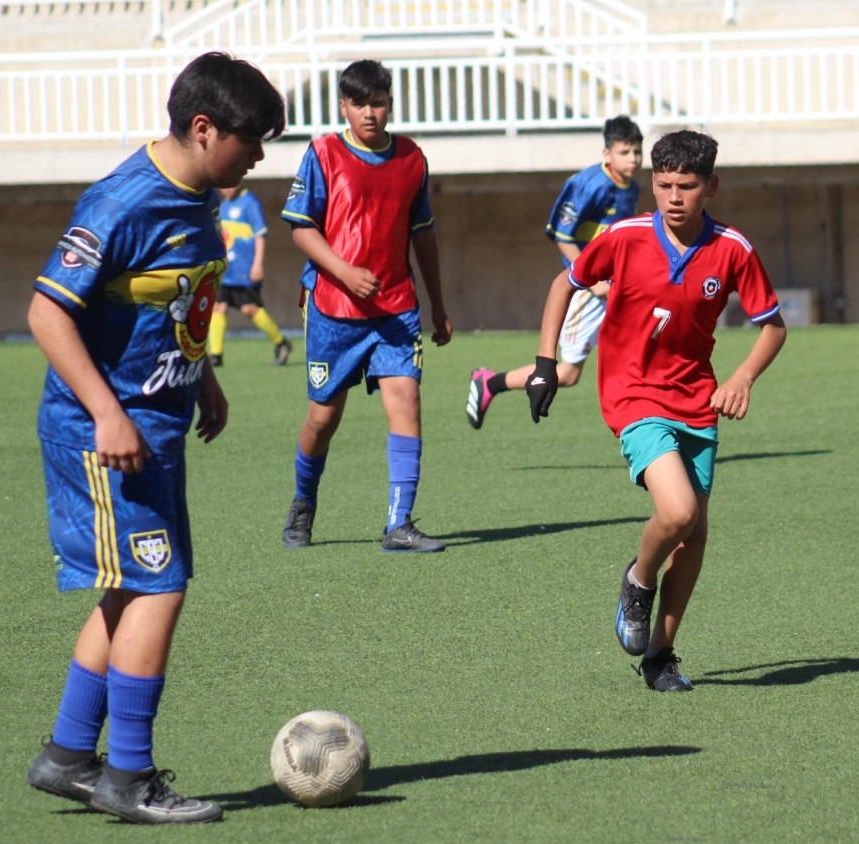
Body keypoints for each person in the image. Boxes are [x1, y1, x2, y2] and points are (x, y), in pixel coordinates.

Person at [25, 52, 285, 823]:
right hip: (102, 435)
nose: (259, 154)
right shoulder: (123, 200)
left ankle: (68, 756)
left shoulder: (201, 197)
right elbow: (47, 311)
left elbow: (181, 301)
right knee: (158, 586)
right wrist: (108, 413)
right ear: (204, 129)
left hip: (156, 431)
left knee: (133, 587)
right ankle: (128, 777)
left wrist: (201, 377)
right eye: (250, 138)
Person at [525, 129, 787, 691]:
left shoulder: (733, 249)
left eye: (686, 186)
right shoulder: (624, 237)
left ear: (710, 186)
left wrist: (742, 377)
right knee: (678, 512)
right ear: (653, 183)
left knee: (695, 536)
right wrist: (545, 364)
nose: (673, 197)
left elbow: (773, 327)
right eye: (664, 185)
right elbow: (563, 285)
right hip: (633, 394)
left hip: (697, 400)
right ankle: (639, 581)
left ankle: (660, 656)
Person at [279, 59, 452, 553]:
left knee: (407, 400)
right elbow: (301, 227)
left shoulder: (412, 158)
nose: (370, 113)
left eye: (378, 102)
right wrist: (344, 271)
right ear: (343, 106)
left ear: (390, 104)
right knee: (323, 420)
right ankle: (303, 501)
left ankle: (399, 523)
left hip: (396, 309)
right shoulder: (323, 153)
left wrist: (438, 304)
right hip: (333, 311)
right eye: (359, 104)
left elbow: (423, 234)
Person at [465, 115, 643, 429]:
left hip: (616, 286)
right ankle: (489, 383)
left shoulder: (631, 187)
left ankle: (652, 422)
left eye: (637, 152)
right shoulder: (589, 184)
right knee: (568, 374)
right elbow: (562, 236)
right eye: (624, 152)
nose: (633, 159)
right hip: (588, 292)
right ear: (607, 154)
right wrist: (594, 283)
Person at [208, 183, 292, 367]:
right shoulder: (222, 205)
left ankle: (281, 342)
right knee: (218, 307)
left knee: (249, 308)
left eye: (231, 185)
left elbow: (260, 234)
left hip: (244, 270)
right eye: (224, 186)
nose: (227, 188)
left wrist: (257, 264)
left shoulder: (250, 202)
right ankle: (216, 354)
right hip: (226, 269)